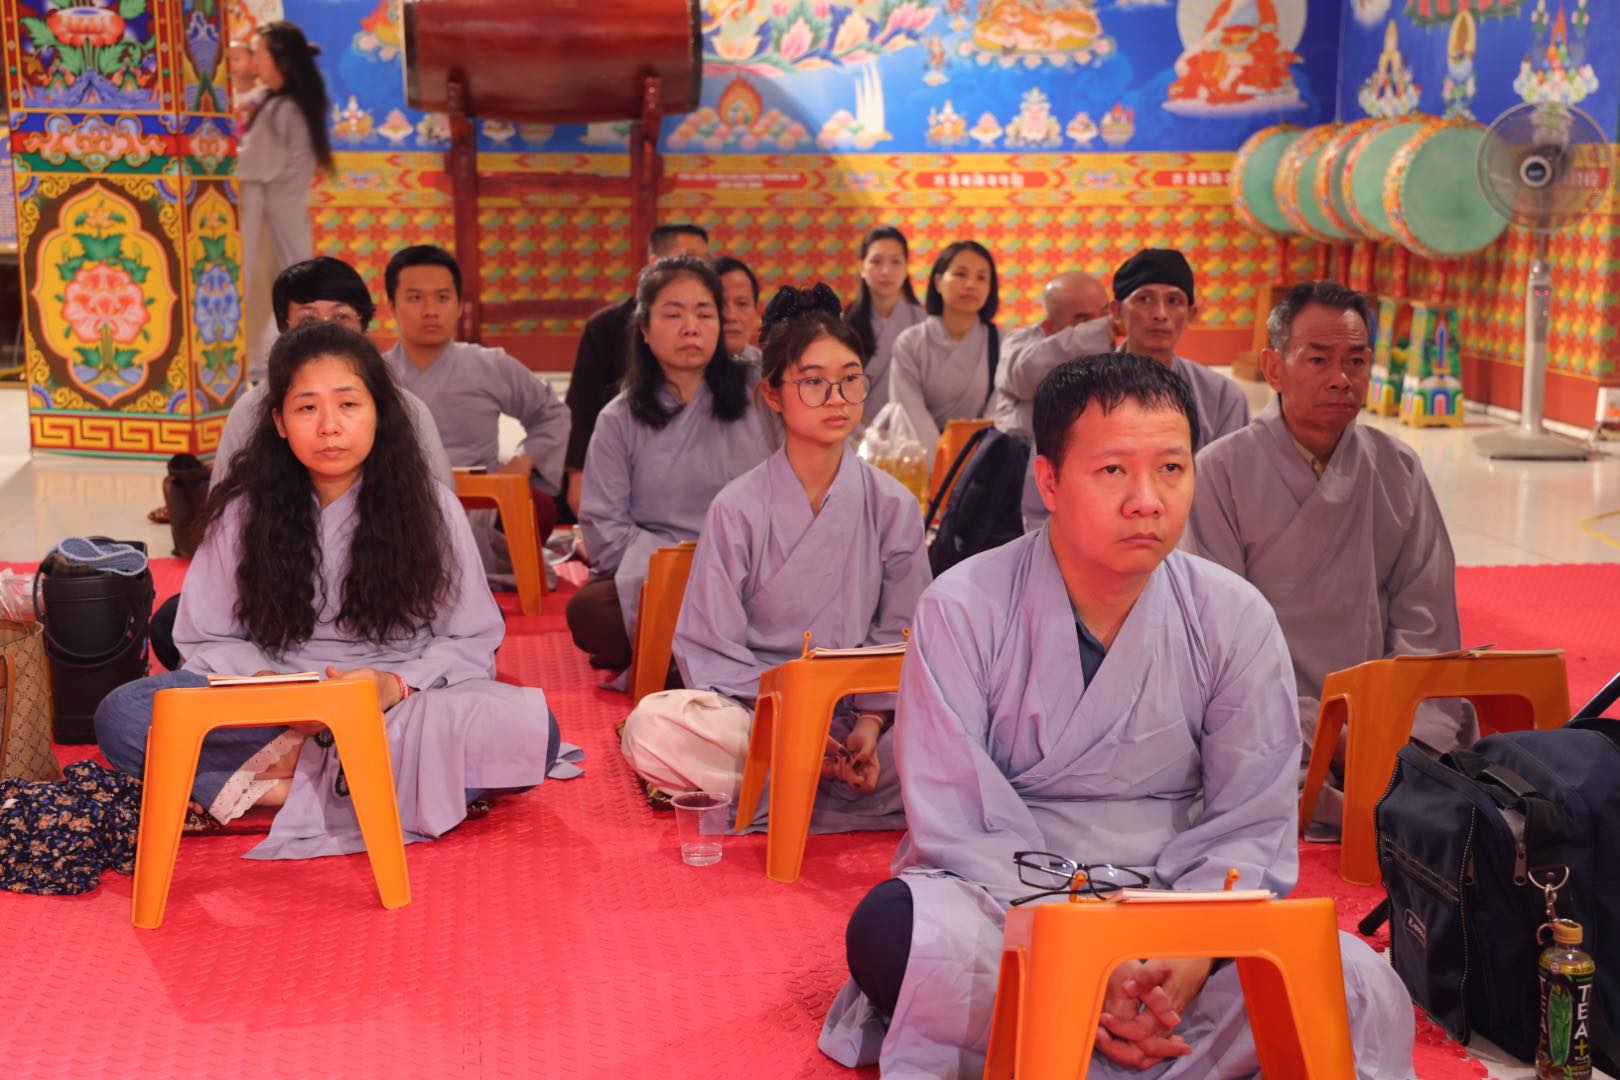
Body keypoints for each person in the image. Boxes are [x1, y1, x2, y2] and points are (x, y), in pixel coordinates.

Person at [818, 353, 1416, 1078]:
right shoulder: (963, 606)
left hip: (1176, 899)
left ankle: (1075, 1037)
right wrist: (1085, 958)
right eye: (1112, 471)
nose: (1147, 500)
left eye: (1171, 469)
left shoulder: (1234, 617)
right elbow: (958, 817)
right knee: (896, 933)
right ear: (1048, 481)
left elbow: (1250, 821)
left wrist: (1190, 951)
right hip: (1008, 900)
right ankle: (1159, 1044)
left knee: (1356, 983)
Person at [95, 323, 565, 856]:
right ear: (279, 422)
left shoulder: (431, 507)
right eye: (307, 408)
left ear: (378, 412)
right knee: (124, 713)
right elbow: (205, 636)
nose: (329, 427)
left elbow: (470, 639)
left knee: (535, 732)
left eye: (347, 404)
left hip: (395, 706)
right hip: (273, 704)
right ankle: (370, 784)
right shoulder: (242, 512)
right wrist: (271, 687)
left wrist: (393, 685)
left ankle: (275, 792)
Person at [619, 284, 931, 828]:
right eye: (813, 382)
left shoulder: (893, 504)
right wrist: (788, 721)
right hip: (757, 715)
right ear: (772, 394)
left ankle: (804, 778)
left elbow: (902, 637)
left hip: (859, 716)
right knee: (655, 725)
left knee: (957, 737)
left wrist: (870, 724)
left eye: (850, 379)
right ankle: (812, 773)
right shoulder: (737, 507)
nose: (836, 398)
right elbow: (709, 644)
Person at [1183, 281, 1472, 827]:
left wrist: (1388, 728)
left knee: (1446, 757)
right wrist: (1320, 730)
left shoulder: (1398, 468)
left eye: (1356, 361)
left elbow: (1427, 616)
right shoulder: (1219, 472)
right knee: (1236, 771)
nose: (1342, 378)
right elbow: (1216, 637)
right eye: (1318, 359)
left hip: (1381, 716)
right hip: (1269, 716)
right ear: (1273, 368)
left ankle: (1389, 779)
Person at [148, 257, 454, 674]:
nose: (329, 426)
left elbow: (436, 521)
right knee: (173, 625)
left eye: (341, 318)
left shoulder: (406, 410)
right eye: (308, 318)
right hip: (281, 595)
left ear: (364, 325)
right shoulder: (251, 411)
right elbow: (226, 524)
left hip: (384, 598)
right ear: (284, 328)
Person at [566, 256, 775, 673]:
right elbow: (604, 528)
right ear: (645, 329)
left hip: (751, 568)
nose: (690, 327)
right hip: (659, 573)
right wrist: (683, 569)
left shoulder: (760, 392)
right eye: (674, 314)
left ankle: (677, 659)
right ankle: (722, 657)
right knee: (590, 612)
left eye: (704, 313)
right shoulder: (618, 418)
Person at [1022, 248, 1251, 530]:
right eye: (1144, 299)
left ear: (1191, 314)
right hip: (1091, 542)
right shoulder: (1074, 392)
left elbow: (1232, 496)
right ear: (1116, 311)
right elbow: (1042, 502)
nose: (1160, 314)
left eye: (1174, 301)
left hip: (1191, 544)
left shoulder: (1222, 397)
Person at [380, 245, 571, 569]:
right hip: (403, 504)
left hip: (483, 506)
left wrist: (523, 461)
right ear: (392, 306)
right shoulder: (375, 374)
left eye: (442, 297)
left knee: (537, 508)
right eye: (415, 298)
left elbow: (551, 413)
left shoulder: (489, 364)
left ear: (459, 306)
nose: (430, 310)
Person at [565, 223, 711, 517]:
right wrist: (577, 475)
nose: (690, 328)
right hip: (620, 459)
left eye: (705, 261)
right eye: (688, 258)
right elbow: (583, 404)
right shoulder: (606, 327)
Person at [238, 21, 332, 383]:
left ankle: (264, 370)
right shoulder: (291, 107)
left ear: (281, 59)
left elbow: (251, 165)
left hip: (269, 223)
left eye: (259, 53)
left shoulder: (282, 111)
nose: (254, 61)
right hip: (286, 219)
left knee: (268, 297)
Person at [889, 240, 1000, 468]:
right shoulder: (910, 342)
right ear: (938, 282)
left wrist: (973, 462)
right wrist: (941, 463)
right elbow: (909, 410)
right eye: (960, 274)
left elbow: (998, 413)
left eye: (981, 278)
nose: (971, 284)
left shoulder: (1003, 343)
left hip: (979, 463)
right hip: (922, 461)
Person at [988, 270, 1111, 439]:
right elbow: (1023, 378)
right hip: (1021, 449)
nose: (1097, 325)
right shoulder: (1021, 343)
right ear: (1050, 327)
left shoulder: (1116, 346)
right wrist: (1102, 329)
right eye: (1084, 321)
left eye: (1105, 315)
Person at [843, 226, 926, 436]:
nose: (886, 270)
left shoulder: (924, 322)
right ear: (862, 267)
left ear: (906, 268)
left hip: (913, 434)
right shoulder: (844, 324)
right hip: (857, 434)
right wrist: (863, 433)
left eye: (895, 262)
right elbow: (838, 387)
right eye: (876, 261)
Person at [712, 256, 762, 366]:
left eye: (742, 303)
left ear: (755, 311)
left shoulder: (770, 370)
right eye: (720, 304)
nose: (731, 316)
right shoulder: (682, 370)